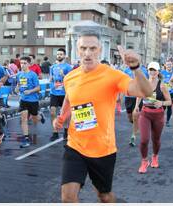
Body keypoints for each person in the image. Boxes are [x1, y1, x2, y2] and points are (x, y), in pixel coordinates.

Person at [53, 30, 152, 203]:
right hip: (75, 146)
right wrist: (61, 118)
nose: (88, 53)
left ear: (100, 50)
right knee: (67, 198)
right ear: (77, 50)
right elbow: (70, 100)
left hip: (103, 149)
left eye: (92, 48)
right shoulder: (70, 77)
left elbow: (146, 92)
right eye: (83, 48)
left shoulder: (112, 75)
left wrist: (135, 68)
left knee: (104, 196)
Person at [136, 62, 171, 173]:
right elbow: (139, 95)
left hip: (158, 115)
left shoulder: (162, 85)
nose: (152, 72)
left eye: (154, 70)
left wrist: (161, 103)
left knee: (156, 139)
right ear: (148, 70)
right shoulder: (143, 83)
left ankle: (155, 156)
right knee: (144, 140)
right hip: (145, 113)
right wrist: (136, 106)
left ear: (158, 71)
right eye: (150, 69)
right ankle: (144, 160)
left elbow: (169, 102)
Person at [16, 56, 45, 148]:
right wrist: (17, 88)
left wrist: (30, 91)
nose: (22, 65)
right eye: (21, 63)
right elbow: (17, 89)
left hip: (33, 100)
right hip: (23, 100)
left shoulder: (33, 75)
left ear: (28, 64)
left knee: (34, 118)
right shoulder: (19, 75)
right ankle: (26, 138)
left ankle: (40, 116)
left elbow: (38, 88)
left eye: (24, 63)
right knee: (24, 119)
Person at [121, 56, 149, 147]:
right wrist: (120, 96)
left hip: (138, 96)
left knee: (135, 115)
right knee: (130, 118)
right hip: (128, 97)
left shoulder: (143, 71)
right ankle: (138, 125)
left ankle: (133, 136)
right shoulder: (126, 71)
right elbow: (122, 84)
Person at [49, 48, 72, 141]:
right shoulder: (52, 67)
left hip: (64, 93)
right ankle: (55, 132)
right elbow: (51, 78)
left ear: (64, 56)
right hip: (54, 92)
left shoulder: (68, 67)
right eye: (58, 54)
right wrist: (51, 82)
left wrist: (63, 76)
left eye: (61, 54)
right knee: (52, 112)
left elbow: (71, 80)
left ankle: (66, 130)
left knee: (65, 113)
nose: (59, 56)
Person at [161, 61, 173, 126]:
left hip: (171, 93)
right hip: (163, 93)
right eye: (167, 64)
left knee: (169, 107)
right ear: (165, 65)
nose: (169, 66)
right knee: (162, 107)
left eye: (170, 64)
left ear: (172, 65)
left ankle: (167, 121)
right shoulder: (161, 73)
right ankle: (160, 119)